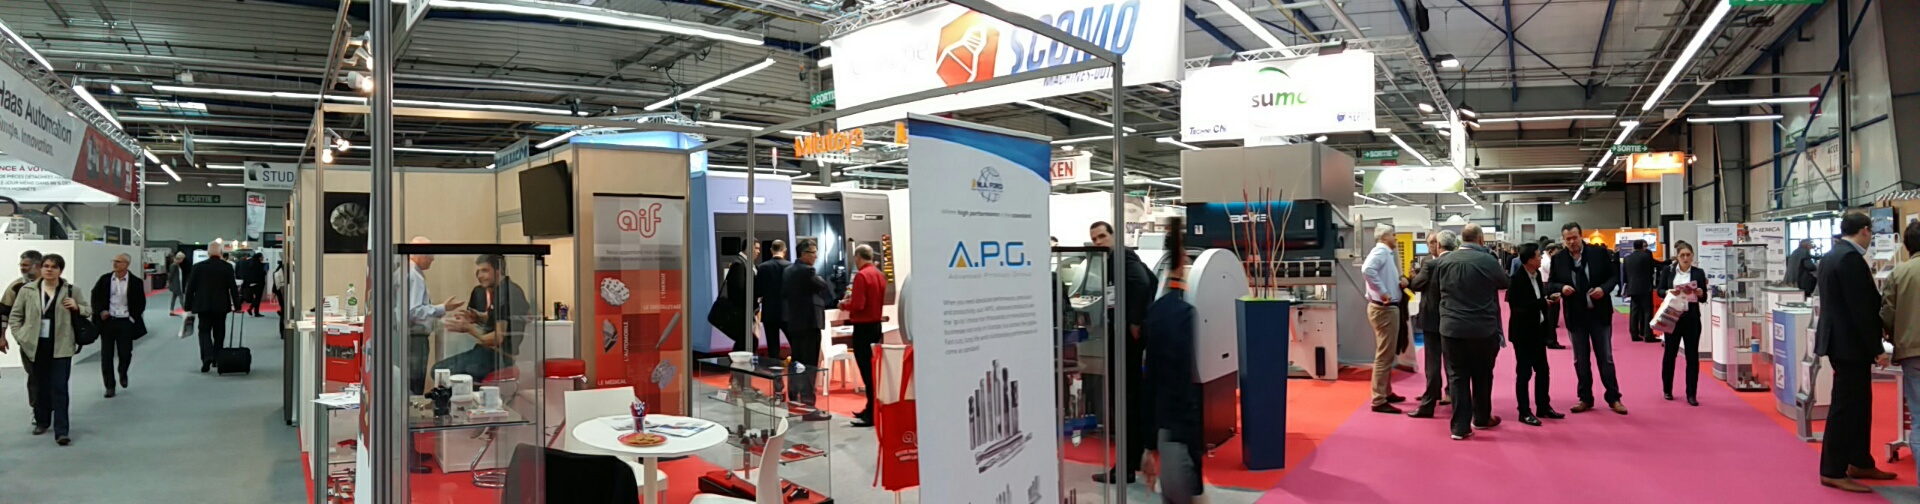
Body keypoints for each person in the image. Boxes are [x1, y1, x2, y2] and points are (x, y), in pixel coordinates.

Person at [1815, 211, 1896, 493]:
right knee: (1845, 407)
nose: (1871, 237)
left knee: (1859, 404)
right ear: (1864, 230)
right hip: (1849, 344)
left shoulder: (1832, 255)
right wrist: (1877, 347)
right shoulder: (1850, 259)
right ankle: (1832, 469)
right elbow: (1860, 309)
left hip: (1842, 342)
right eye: (1870, 232)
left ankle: (1859, 460)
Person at [1090, 220, 1158, 485]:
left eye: (1102, 236)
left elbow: (1142, 283)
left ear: (1113, 235)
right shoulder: (1118, 258)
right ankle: (1132, 460)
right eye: (1094, 239)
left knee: (1124, 399)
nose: (1098, 242)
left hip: (1125, 338)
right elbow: (1151, 280)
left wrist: (1134, 321)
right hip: (1125, 335)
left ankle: (1125, 468)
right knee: (1130, 398)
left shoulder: (1121, 256)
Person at [1141, 218, 1202, 504]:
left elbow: (1150, 378)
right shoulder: (1182, 313)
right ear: (1185, 257)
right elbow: (1181, 382)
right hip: (1178, 429)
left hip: (1164, 426)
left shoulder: (1157, 310)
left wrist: (1148, 443)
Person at [1432, 225, 1509, 440]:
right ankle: (1481, 418)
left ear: (1460, 240)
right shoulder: (1488, 260)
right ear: (1481, 239)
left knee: (1457, 376)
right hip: (1482, 328)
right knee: (1482, 374)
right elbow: (1504, 282)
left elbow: (1436, 289)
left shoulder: (1444, 261)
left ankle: (1459, 427)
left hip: (1451, 327)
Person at [9, 254, 90, 446]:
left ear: (60, 270)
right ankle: (42, 420)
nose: (49, 270)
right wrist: (21, 336)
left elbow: (88, 311)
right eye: (46, 266)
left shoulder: (71, 290)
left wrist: (77, 307)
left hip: (61, 347)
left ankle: (62, 431)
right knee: (40, 386)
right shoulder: (27, 290)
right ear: (41, 268)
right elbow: (16, 315)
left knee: (60, 388)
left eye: (54, 267)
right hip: (35, 346)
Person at [1550, 223, 1627, 415]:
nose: (1572, 242)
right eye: (1568, 239)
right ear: (1563, 240)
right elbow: (1551, 283)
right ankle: (1585, 398)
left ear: (1581, 236)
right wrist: (1561, 288)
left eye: (1574, 237)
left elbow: (1613, 277)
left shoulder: (1598, 253)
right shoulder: (1558, 259)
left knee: (1605, 358)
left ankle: (1614, 398)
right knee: (1580, 360)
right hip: (1575, 317)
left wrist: (1604, 289)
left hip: (1599, 314)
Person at [433, 254, 528, 382]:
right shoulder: (502, 290)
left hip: (497, 358)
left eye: (484, 270)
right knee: (439, 370)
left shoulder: (505, 294)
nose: (480, 276)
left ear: (498, 270)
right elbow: (500, 320)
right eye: (478, 272)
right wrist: (477, 318)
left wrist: (468, 328)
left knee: (439, 372)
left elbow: (497, 337)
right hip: (488, 353)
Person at [1880, 221, 1920, 484]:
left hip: (1912, 352)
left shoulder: (1898, 273)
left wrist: (1894, 338)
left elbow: (1887, 314)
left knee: (1919, 419)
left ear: (1906, 245)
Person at [401, 237, 465, 394]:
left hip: (407, 336)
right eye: (429, 254)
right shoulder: (414, 276)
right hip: (415, 339)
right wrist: (443, 308)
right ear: (419, 254)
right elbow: (413, 311)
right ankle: (413, 408)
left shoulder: (405, 271)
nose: (433, 258)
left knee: (408, 383)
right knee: (414, 384)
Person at [1507, 243, 1561, 427]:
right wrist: (1542, 303)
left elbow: (1537, 300)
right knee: (1524, 373)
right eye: (1538, 256)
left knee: (1543, 370)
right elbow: (1517, 307)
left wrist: (1546, 301)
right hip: (1522, 333)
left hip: (1538, 330)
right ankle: (1524, 411)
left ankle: (1543, 406)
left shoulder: (1537, 275)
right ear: (1529, 259)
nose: (1541, 258)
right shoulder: (1516, 279)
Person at [782, 239, 834, 422]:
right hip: (810, 323)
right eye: (813, 253)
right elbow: (823, 286)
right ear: (803, 254)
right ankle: (809, 406)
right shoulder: (807, 271)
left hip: (794, 323)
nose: (816, 256)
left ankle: (794, 402)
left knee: (796, 363)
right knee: (810, 365)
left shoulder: (788, 271)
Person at [1406, 233, 1452, 419]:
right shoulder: (1428, 261)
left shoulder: (1430, 265)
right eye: (1430, 242)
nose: (1433, 245)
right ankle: (1434, 392)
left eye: (1435, 242)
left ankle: (1440, 395)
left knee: (1442, 361)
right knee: (1437, 361)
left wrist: (1413, 279)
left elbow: (1416, 284)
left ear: (1440, 244)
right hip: (1442, 316)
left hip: (1437, 316)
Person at [1361, 223, 1406, 414]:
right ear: (1385, 237)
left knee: (1387, 353)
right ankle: (1378, 399)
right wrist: (1384, 292)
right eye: (1393, 235)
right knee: (1384, 355)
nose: (1396, 238)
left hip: (1385, 308)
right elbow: (1367, 270)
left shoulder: (1385, 254)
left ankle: (1385, 392)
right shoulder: (1380, 252)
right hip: (1384, 309)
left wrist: (1398, 283)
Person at [1658, 241, 1707, 406]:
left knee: (1692, 357)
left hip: (1691, 318)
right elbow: (1659, 290)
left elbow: (1704, 298)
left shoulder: (1698, 273)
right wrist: (1668, 292)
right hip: (1672, 316)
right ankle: (1667, 389)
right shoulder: (1668, 271)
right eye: (1682, 255)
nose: (1685, 258)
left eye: (1688, 255)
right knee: (1669, 354)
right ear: (1677, 257)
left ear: (1692, 256)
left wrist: (1700, 293)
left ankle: (1691, 394)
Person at [91, 253, 147, 398]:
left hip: (125, 322)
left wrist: (132, 318)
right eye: (114, 261)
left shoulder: (136, 282)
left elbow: (140, 302)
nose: (115, 264)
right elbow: (95, 297)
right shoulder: (104, 279)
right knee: (106, 355)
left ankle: (123, 371)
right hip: (108, 321)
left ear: (127, 264)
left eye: (119, 261)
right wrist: (101, 311)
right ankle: (109, 386)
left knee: (125, 353)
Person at [841, 244, 885, 428]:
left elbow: (858, 304)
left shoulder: (861, 276)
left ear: (858, 257)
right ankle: (870, 408)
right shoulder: (879, 275)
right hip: (876, 327)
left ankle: (871, 413)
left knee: (866, 371)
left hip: (863, 328)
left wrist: (844, 305)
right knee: (872, 371)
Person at [184, 243, 242, 373]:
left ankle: (207, 356)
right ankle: (217, 358)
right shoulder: (227, 267)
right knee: (219, 332)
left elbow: (190, 288)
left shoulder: (198, 267)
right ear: (220, 252)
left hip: (203, 305)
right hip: (221, 305)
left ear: (208, 253)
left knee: (204, 331)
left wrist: (187, 306)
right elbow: (232, 288)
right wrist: (237, 306)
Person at [1, 250, 43, 421]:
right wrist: (2, 336)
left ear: (37, 265)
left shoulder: (52, 284)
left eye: (26, 265)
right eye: (21, 265)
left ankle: (51, 407)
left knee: (52, 375)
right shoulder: (16, 287)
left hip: (52, 338)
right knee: (33, 374)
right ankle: (37, 411)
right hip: (27, 339)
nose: (22, 268)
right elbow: (3, 312)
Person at [719, 242, 760, 355]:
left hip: (744, 311)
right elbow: (740, 289)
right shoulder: (739, 264)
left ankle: (738, 364)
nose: (758, 251)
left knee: (747, 342)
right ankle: (738, 364)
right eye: (756, 248)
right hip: (740, 311)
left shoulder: (746, 263)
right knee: (748, 342)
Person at [755, 240, 791, 361]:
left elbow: (758, 291)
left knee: (773, 348)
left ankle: (775, 370)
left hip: (769, 312)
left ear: (771, 251)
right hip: (787, 312)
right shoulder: (790, 266)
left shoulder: (762, 267)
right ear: (785, 251)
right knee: (794, 343)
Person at [1623, 240, 1660, 344]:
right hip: (1645, 287)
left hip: (1633, 287)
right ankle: (1648, 334)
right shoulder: (1646, 257)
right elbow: (1652, 270)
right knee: (1647, 311)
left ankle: (1634, 334)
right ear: (1642, 247)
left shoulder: (1627, 258)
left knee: (1634, 311)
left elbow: (1625, 274)